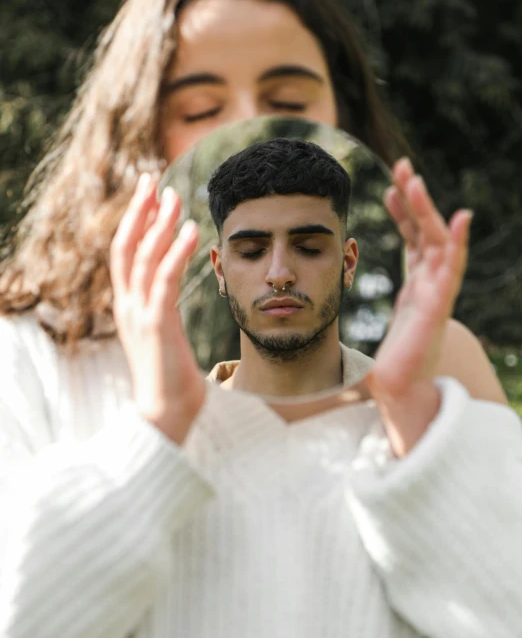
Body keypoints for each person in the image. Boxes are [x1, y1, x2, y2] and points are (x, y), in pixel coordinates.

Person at [3, 137, 520, 638]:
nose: (278, 274)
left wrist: (409, 426)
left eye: (309, 247)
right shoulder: (131, 427)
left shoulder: (431, 416)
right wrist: (158, 433)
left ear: (348, 261)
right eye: (251, 251)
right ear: (219, 268)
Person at [0, 0, 506, 403]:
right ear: (133, 129)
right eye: (200, 109)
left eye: (288, 97)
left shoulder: (442, 367)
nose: (253, 123)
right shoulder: (34, 358)